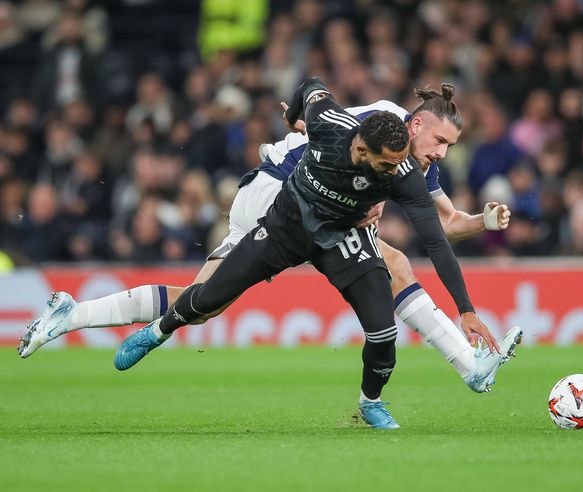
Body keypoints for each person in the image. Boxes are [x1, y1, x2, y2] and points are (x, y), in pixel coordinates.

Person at [20, 80, 521, 427]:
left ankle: (72, 313)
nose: (442, 154)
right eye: (439, 140)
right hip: (281, 192)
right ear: (413, 125)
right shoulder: (385, 123)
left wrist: (483, 223)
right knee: (393, 263)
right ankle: (466, 364)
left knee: (202, 300)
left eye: (451, 146)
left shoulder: (414, 161)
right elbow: (328, 124)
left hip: (302, 203)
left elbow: (444, 225)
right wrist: (300, 121)